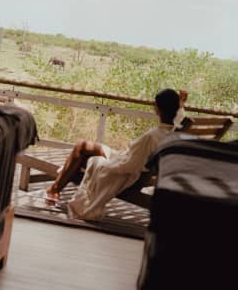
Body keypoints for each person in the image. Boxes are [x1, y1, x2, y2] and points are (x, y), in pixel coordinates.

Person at [46, 88, 188, 220]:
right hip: (124, 157)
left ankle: (54, 189)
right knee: (83, 146)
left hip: (124, 167)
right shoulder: (173, 131)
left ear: (157, 108)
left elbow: (131, 166)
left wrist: (106, 167)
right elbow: (180, 115)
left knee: (82, 152)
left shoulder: (151, 137)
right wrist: (182, 102)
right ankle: (55, 189)